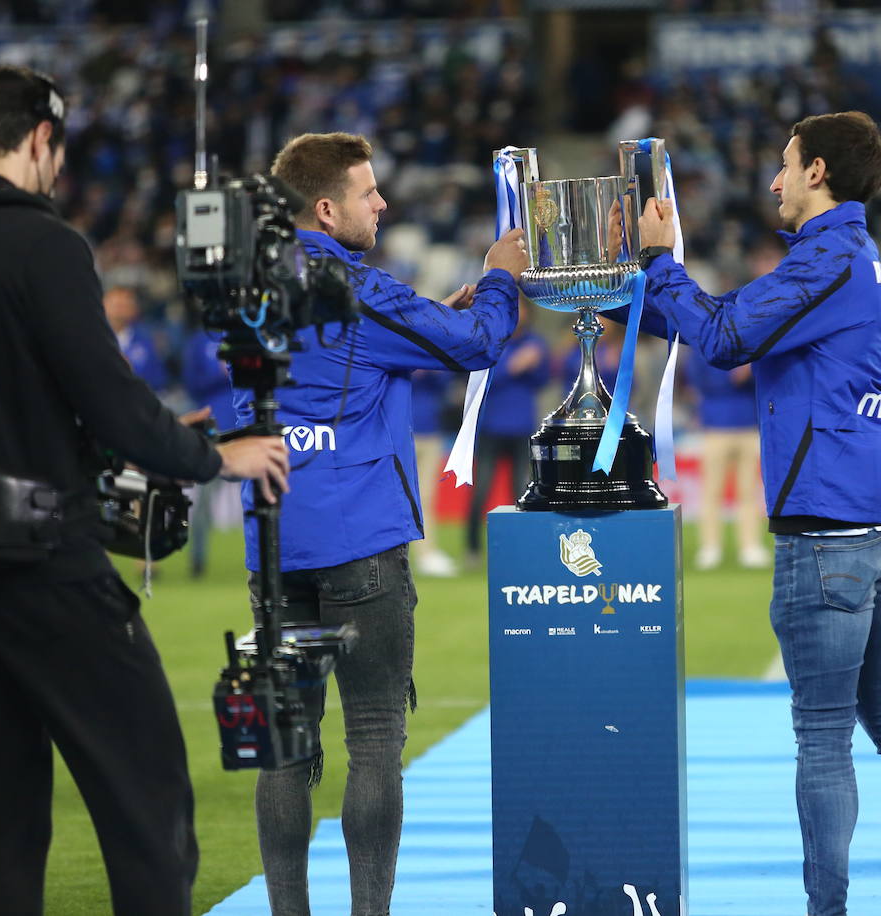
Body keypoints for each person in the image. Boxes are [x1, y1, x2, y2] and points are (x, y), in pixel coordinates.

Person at [0, 65, 289, 916]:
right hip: (38, 554)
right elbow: (109, 400)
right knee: (147, 801)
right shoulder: (44, 242)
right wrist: (223, 456)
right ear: (41, 139)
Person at [632, 112, 881, 916]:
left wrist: (659, 260)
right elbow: (721, 321)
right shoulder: (848, 255)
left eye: (784, 166)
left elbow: (721, 338)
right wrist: (621, 296)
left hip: (832, 531)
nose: (773, 182)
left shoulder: (825, 258)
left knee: (824, 739)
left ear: (818, 171)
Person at [238, 131, 525, 916]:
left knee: (284, 753)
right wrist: (499, 279)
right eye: (369, 193)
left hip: (273, 543)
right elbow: (480, 346)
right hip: (359, 542)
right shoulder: (356, 284)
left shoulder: (242, 285)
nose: (383, 204)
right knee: (373, 742)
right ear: (326, 209)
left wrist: (431, 316)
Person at [465, 299, 550, 564]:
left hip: (523, 426)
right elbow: (480, 377)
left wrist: (535, 365)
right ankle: (473, 549)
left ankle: (519, 550)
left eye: (522, 308)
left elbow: (543, 381)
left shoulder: (536, 343)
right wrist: (513, 366)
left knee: (521, 491)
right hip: (492, 426)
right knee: (481, 491)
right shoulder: (493, 341)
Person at [684, 348, 768, 569]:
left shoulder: (751, 347)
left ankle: (750, 546)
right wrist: (729, 376)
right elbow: (696, 381)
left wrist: (750, 374)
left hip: (749, 425)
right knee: (711, 490)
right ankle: (710, 547)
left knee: (749, 490)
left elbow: (767, 380)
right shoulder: (703, 347)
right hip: (715, 426)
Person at [181, 325, 239, 578]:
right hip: (214, 431)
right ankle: (198, 561)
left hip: (250, 428)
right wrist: (223, 374)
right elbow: (190, 382)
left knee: (267, 497)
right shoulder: (199, 339)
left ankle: (276, 561)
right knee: (203, 501)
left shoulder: (249, 332)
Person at [409, 368, 460, 576]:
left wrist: (430, 370)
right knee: (390, 495)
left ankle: (426, 553)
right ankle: (386, 553)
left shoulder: (427, 350)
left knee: (427, 496)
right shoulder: (396, 346)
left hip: (430, 431)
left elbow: (447, 380)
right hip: (398, 431)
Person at [104, 284, 169, 394]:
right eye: (116, 304)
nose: (119, 309)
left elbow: (159, 381)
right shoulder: (93, 340)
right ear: (103, 305)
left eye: (124, 305)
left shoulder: (148, 341)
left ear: (134, 309)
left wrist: (131, 375)